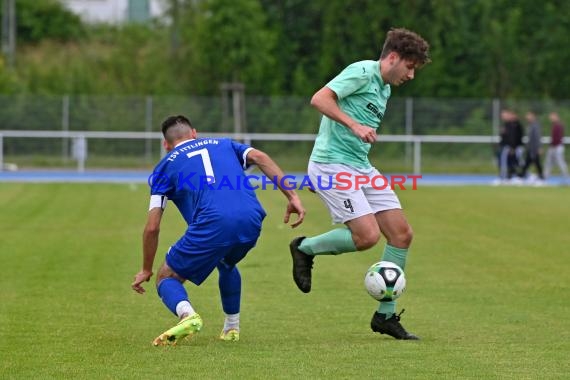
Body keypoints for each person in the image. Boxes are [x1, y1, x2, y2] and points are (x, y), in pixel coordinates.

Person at [289, 28, 430, 340]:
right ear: (392, 58)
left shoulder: (384, 89)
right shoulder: (362, 72)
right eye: (409, 67)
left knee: (401, 235)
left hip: (359, 166)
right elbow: (320, 98)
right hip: (332, 164)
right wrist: (353, 126)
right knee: (367, 236)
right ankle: (304, 248)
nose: (411, 76)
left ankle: (386, 316)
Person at [132, 115, 305, 345]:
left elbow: (152, 227)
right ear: (194, 133)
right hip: (252, 217)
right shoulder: (223, 143)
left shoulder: (163, 168)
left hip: (213, 222)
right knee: (226, 262)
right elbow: (259, 157)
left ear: (166, 144)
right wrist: (292, 196)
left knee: (166, 277)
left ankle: (187, 315)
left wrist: (145, 268)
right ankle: (232, 327)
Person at [519, 111, 544, 183]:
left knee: (536, 163)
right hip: (530, 148)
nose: (527, 117)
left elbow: (538, 137)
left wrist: (539, 147)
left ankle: (541, 178)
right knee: (528, 163)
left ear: (533, 116)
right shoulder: (530, 125)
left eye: (528, 115)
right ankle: (521, 176)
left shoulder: (536, 125)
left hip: (534, 148)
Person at [544, 112, 569, 183]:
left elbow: (558, 138)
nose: (551, 118)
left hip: (557, 147)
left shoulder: (559, 125)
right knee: (548, 162)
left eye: (552, 117)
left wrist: (553, 144)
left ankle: (566, 177)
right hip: (553, 146)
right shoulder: (554, 125)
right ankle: (545, 177)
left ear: (556, 116)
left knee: (560, 162)